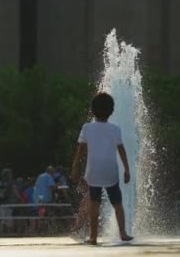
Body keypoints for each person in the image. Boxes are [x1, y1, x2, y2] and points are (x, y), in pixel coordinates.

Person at [71, 92, 134, 245]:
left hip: (94, 172)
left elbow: (81, 150)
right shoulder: (115, 129)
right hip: (110, 172)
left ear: (92, 110)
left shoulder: (87, 128)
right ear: (112, 111)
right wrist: (126, 169)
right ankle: (123, 233)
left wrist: (75, 166)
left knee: (94, 204)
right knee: (117, 203)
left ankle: (93, 237)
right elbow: (121, 150)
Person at [0, 168, 24, 233]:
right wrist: (21, 199)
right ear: (8, 175)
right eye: (10, 174)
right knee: (8, 220)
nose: (11, 175)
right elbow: (15, 191)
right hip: (8, 203)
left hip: (1, 203)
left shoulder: (0, 182)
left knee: (2, 220)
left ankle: (1, 233)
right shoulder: (10, 182)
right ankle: (8, 234)